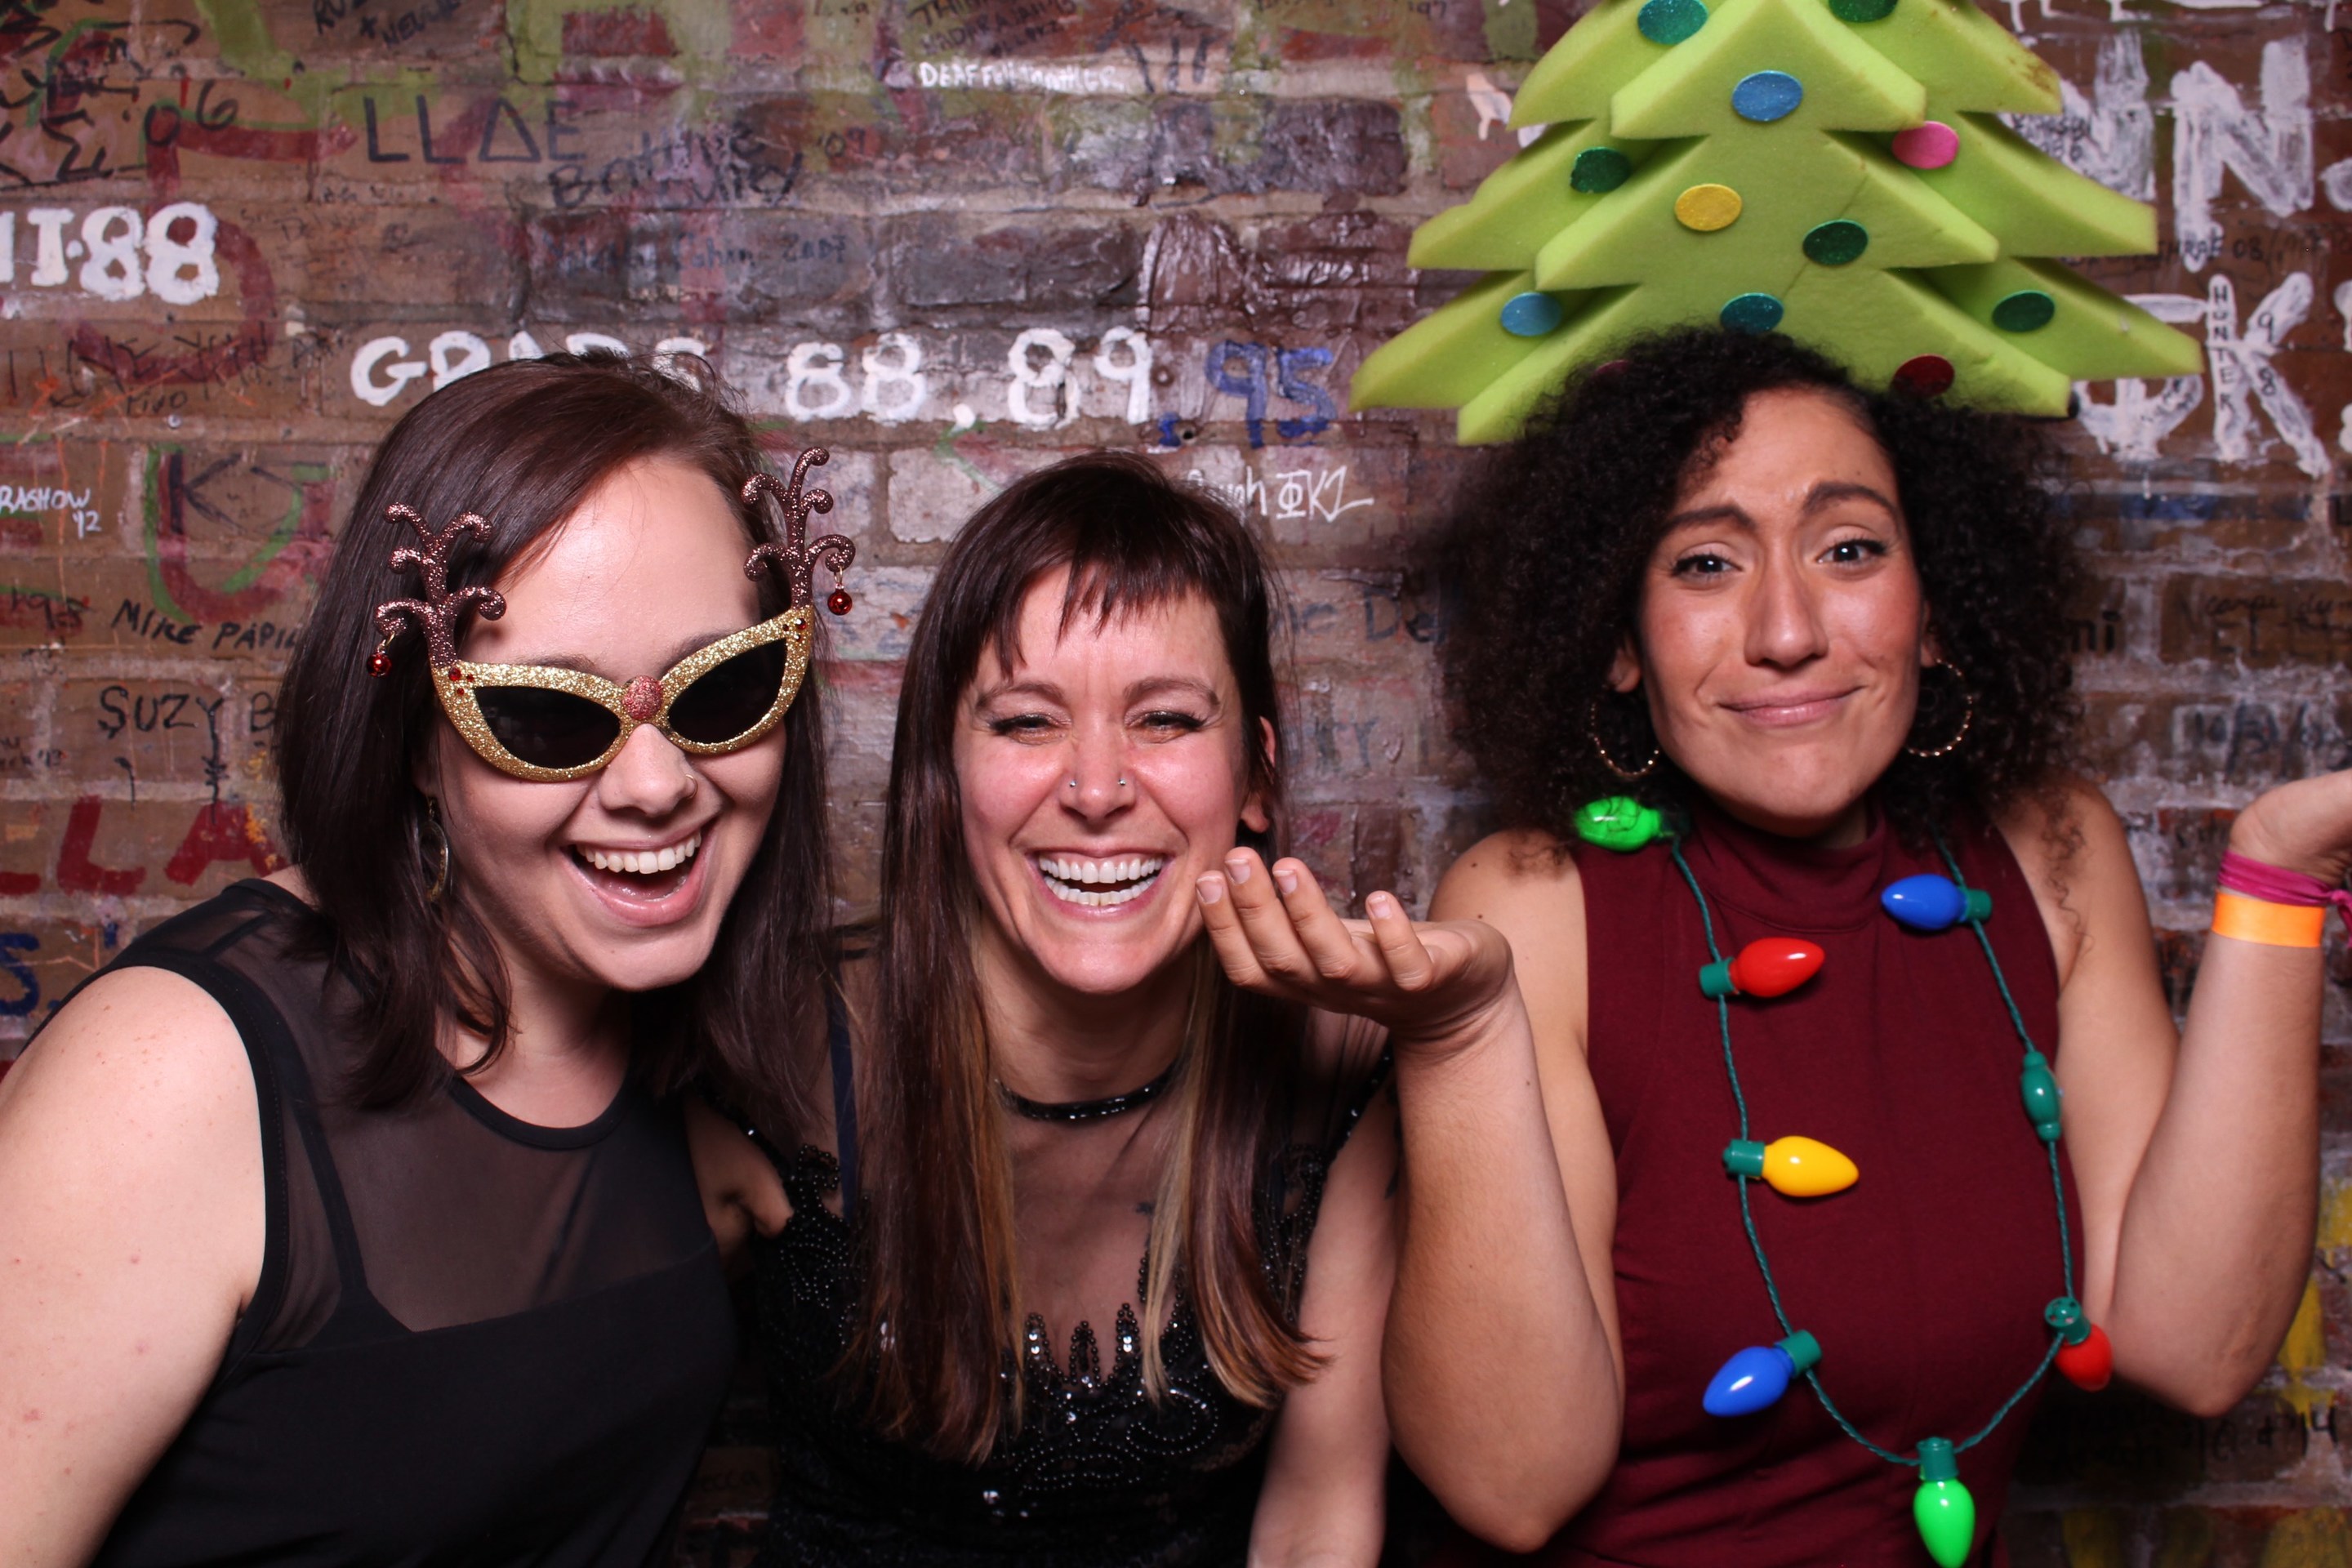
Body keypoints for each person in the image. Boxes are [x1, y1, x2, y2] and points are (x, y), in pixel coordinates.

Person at [1423, 327, 2342, 1565]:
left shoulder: (2051, 855)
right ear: (1624, 641)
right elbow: (1510, 1487)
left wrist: (2281, 876)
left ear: (1934, 611)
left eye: (1848, 548)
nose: (1787, 629)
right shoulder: (1534, 904)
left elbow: (2198, 1347)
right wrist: (1451, 1040)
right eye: (1705, 563)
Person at [689, 452, 1619, 1566]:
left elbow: (1342, 1519)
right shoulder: (773, 1050)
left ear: (1256, 776)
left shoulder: (1336, 1065)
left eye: (1166, 720)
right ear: (943, 774)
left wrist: (1467, 1031)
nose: (1096, 790)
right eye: (1026, 723)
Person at [0, 352, 849, 1566]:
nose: (658, 786)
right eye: (547, 714)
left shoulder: (700, 1068)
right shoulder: (170, 1080)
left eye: (725, 689)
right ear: (414, 742)